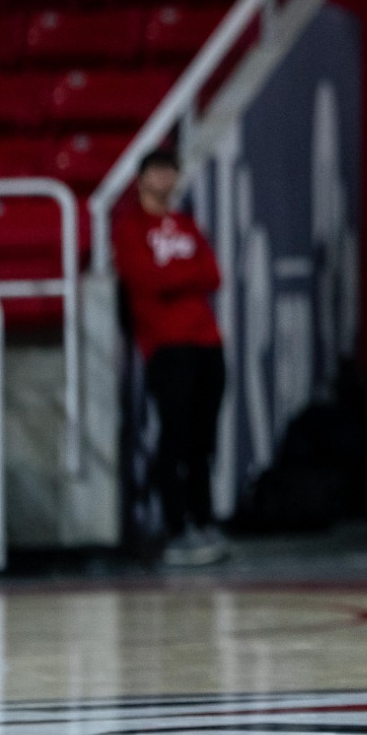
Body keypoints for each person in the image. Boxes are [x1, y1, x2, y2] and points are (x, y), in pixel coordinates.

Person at [113, 149, 229, 566]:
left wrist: (177, 276)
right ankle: (176, 528)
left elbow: (213, 274)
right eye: (156, 170)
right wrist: (186, 274)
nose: (165, 177)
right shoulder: (130, 229)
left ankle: (205, 520)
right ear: (141, 178)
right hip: (166, 344)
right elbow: (145, 279)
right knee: (174, 436)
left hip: (206, 341)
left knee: (203, 438)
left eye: (170, 170)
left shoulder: (185, 224)